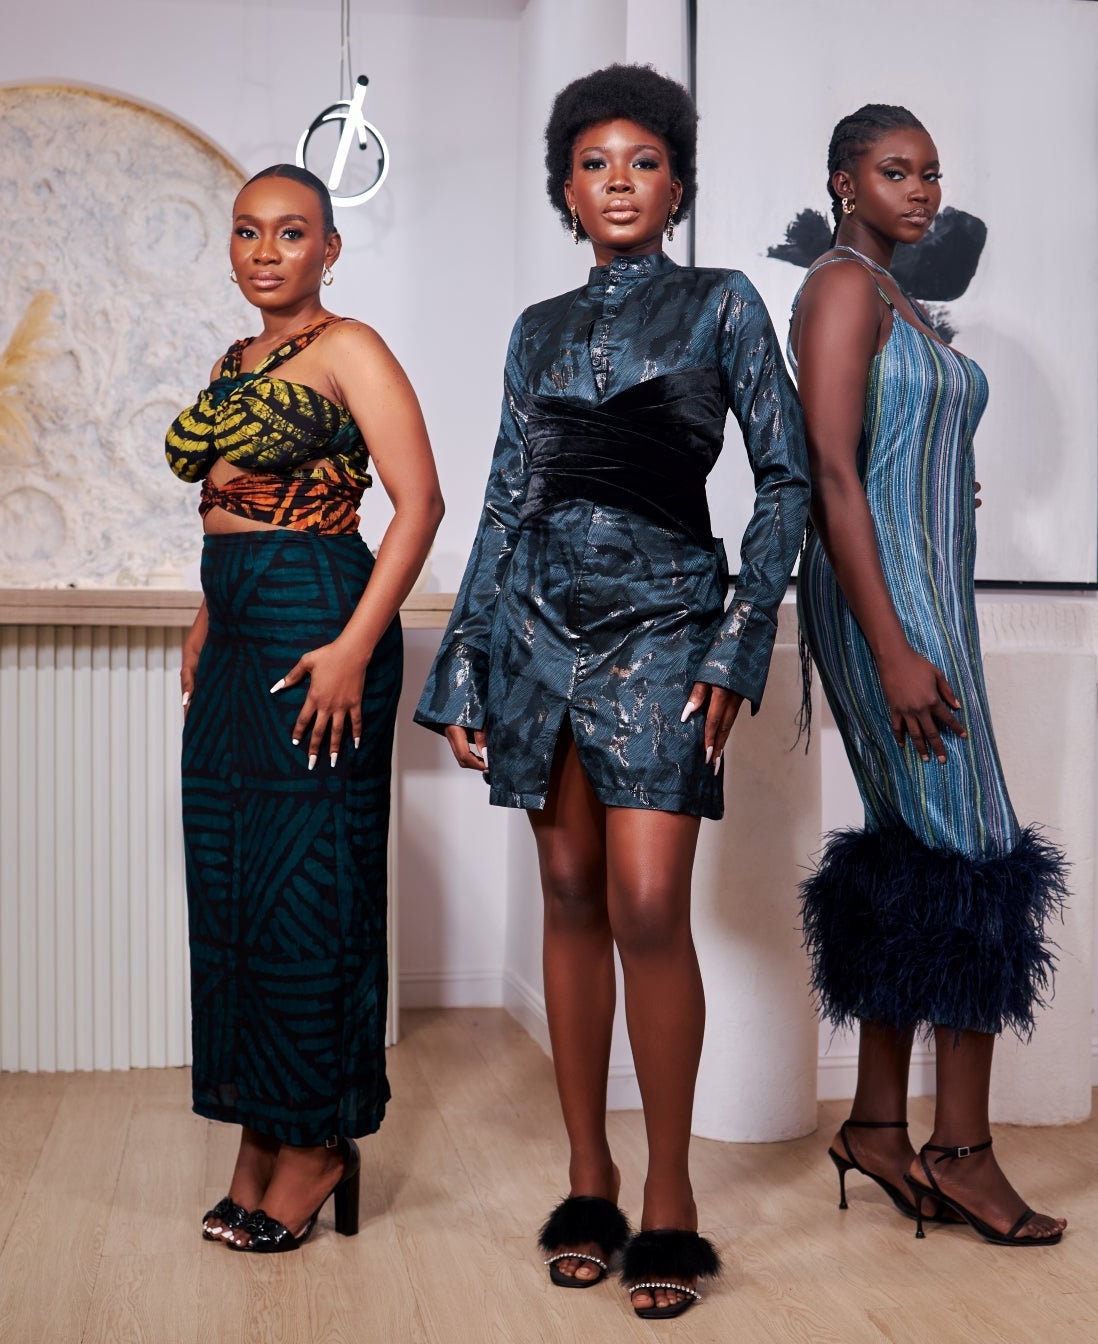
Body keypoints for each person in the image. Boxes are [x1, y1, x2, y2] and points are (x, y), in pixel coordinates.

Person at [416, 65, 808, 1320]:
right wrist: (466, 659)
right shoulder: (533, 330)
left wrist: (736, 648)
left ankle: (671, 1195)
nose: (620, 182)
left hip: (668, 626)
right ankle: (589, 1181)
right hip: (536, 626)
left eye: (644, 161)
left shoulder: (723, 303)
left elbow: (787, 482)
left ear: (677, 184)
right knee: (572, 890)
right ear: (567, 190)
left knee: (648, 902)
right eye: (595, 164)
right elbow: (502, 501)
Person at [789, 104, 1069, 1247]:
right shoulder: (841, 287)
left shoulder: (895, 296)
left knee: (914, 849)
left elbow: (892, 446)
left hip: (923, 585)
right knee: (977, 847)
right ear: (845, 183)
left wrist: (944, 471)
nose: (921, 190)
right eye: (895, 171)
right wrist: (896, 649)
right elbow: (830, 470)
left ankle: (875, 1124)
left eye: (932, 173)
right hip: (889, 606)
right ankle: (961, 1151)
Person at [167, 163, 443, 1254]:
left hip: (320, 621)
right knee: (233, 885)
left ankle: (320, 1141)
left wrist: (354, 648)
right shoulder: (234, 361)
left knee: (309, 894)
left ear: (329, 249)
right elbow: (229, 499)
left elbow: (420, 505)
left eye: (291, 233)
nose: (266, 251)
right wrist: (207, 614)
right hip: (239, 626)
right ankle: (259, 1132)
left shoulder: (351, 348)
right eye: (248, 232)